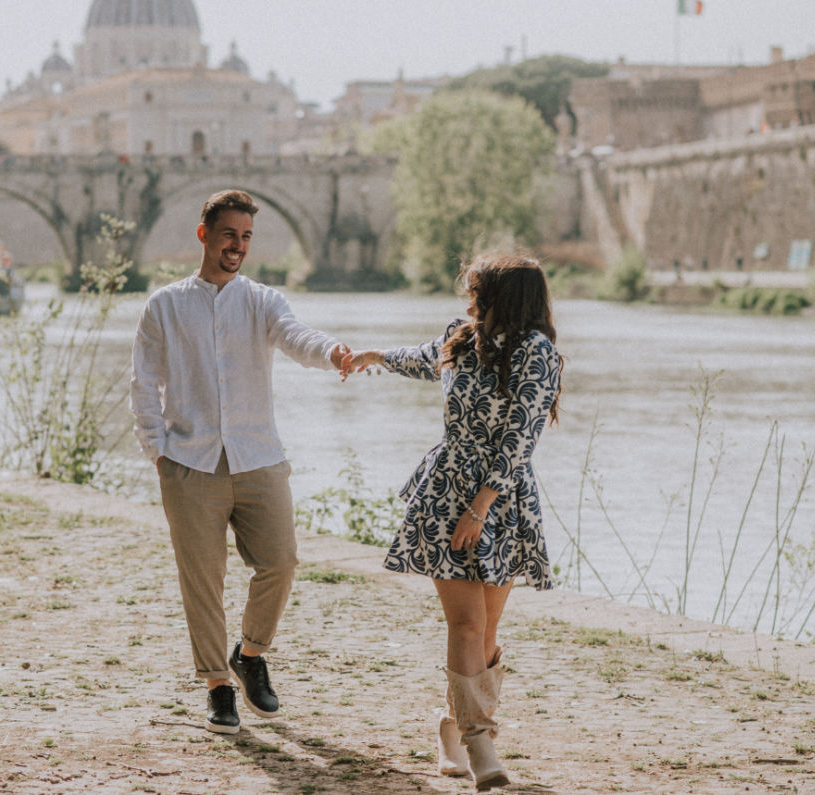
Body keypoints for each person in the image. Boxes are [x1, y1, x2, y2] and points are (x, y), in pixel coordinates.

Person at [130, 188, 351, 735]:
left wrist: (333, 353)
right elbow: (143, 384)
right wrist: (157, 451)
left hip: (258, 456)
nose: (238, 245)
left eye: (247, 236)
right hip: (189, 462)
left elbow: (296, 338)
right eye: (229, 234)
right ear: (204, 234)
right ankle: (217, 686)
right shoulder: (164, 305)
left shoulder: (264, 301)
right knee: (202, 580)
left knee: (280, 562)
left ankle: (250, 655)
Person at [342, 252, 563, 791]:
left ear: (504, 297)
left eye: (478, 291)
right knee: (465, 625)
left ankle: (452, 729)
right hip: (444, 491)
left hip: (501, 500)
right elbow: (422, 358)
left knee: (485, 630)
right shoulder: (461, 339)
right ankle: (482, 743)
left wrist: (481, 507)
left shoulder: (537, 353)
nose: (469, 299)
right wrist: (374, 356)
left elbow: (522, 436)